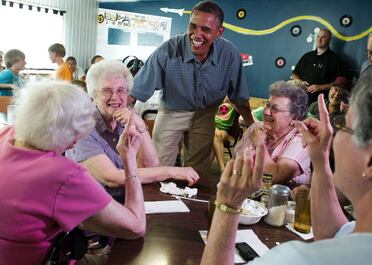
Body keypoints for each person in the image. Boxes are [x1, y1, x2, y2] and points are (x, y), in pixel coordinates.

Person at [200, 58, 372, 265]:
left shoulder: (298, 259)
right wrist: (319, 161)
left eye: (343, 126)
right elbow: (334, 233)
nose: (334, 137)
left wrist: (227, 207)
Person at [0, 81, 146, 265]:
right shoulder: (62, 175)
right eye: (75, 134)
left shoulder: (6, 135)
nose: (75, 143)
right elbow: (135, 227)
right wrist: (130, 159)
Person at [131, 1, 254, 176]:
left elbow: (239, 97)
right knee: (157, 165)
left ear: (219, 32)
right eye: (193, 27)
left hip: (205, 114)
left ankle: (188, 202)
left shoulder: (229, 54)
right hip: (171, 111)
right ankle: (155, 201)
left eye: (205, 30)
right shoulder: (168, 51)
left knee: (197, 172)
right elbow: (136, 90)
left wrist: (251, 125)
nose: (196, 35)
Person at [65, 60, 199, 203]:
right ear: (93, 95)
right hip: (87, 206)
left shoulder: (126, 118)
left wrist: (140, 126)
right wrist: (172, 171)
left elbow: (150, 165)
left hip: (122, 200)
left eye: (121, 90)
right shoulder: (82, 126)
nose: (115, 97)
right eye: (107, 90)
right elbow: (111, 178)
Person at [235, 81, 310, 188]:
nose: (266, 112)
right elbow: (235, 165)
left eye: (275, 109)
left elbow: (273, 177)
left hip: (282, 201)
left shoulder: (301, 141)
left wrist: (259, 145)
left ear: (294, 117)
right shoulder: (256, 129)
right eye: (267, 105)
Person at [292, 28, 345, 105]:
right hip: (300, 100)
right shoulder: (307, 56)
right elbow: (295, 74)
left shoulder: (336, 59)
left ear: (329, 40)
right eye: (318, 36)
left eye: (323, 37)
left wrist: (321, 87)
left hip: (321, 103)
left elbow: (340, 83)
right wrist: (300, 82)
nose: (319, 39)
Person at [213, 99, 237, 172]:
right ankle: (221, 168)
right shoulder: (215, 97)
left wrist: (231, 101)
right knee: (215, 135)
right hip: (210, 125)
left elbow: (242, 111)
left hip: (224, 130)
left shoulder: (235, 100)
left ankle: (222, 168)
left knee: (217, 135)